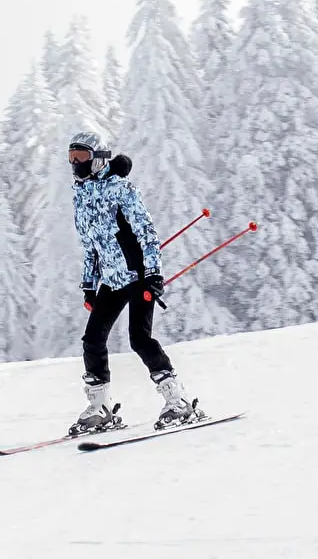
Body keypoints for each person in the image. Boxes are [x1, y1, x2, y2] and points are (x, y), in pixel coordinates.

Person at [65, 130, 203, 436]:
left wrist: (153, 274)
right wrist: (89, 284)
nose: (76, 164)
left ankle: (178, 403)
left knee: (139, 339)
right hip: (111, 282)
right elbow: (90, 247)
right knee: (92, 340)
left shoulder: (120, 188)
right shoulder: (81, 195)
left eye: (82, 157)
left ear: (99, 160)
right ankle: (101, 409)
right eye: (71, 157)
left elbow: (146, 232)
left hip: (136, 275)